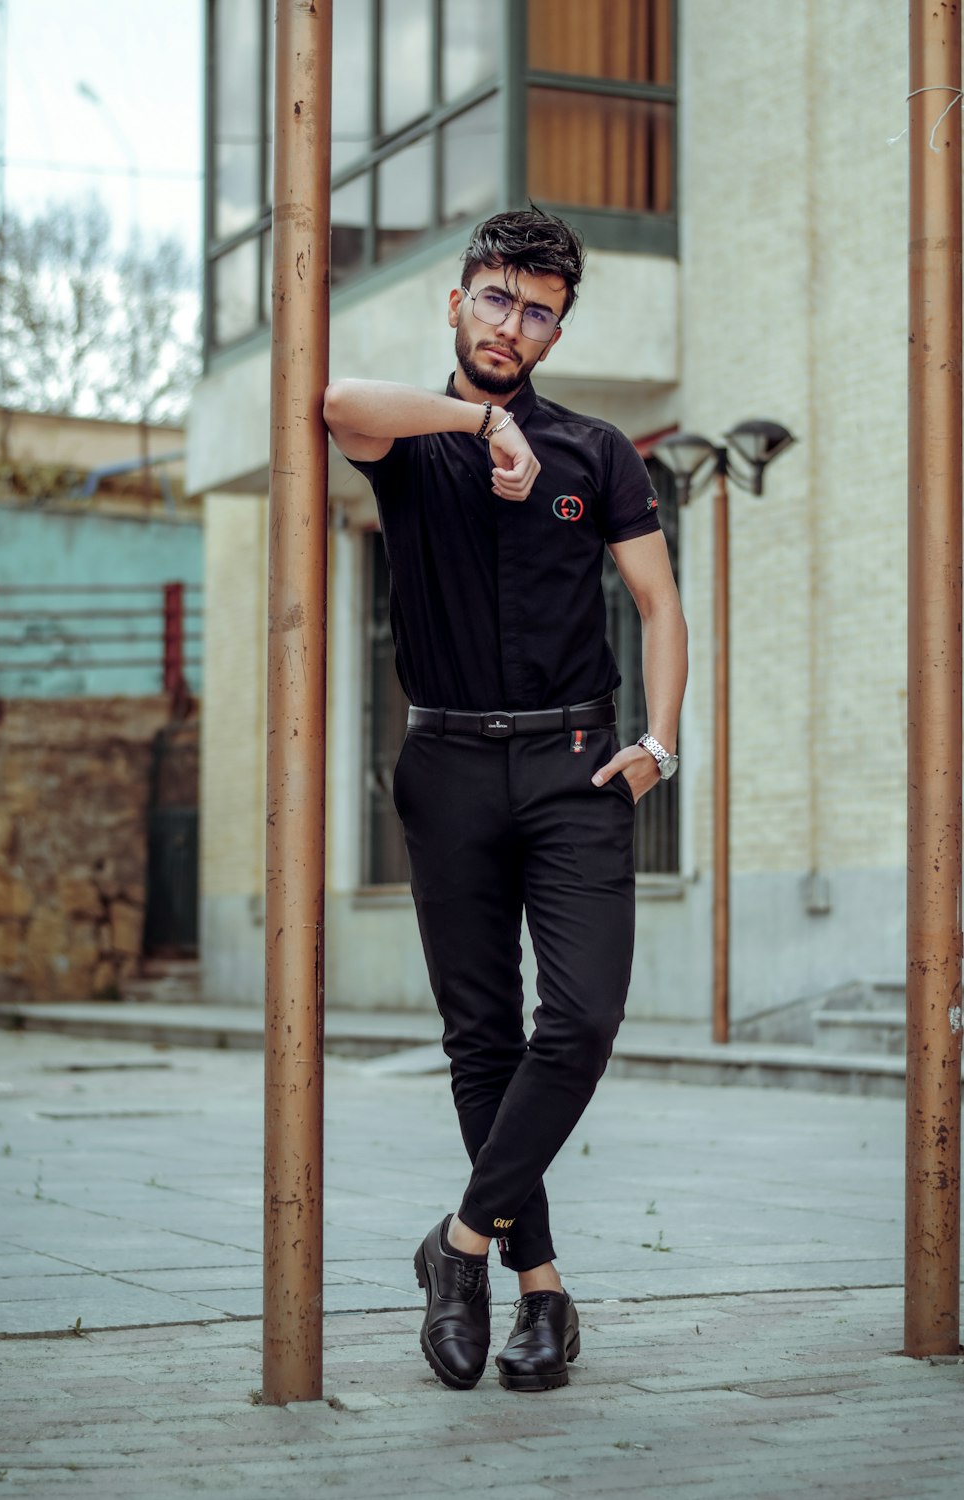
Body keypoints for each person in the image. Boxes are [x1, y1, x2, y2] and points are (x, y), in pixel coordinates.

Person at [324, 207, 688, 1394]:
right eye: (494, 299)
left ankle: (458, 1248)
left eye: (537, 311)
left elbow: (658, 604)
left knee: (577, 1022)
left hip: (576, 764)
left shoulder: (597, 452)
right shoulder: (415, 441)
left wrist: (658, 741)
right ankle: (540, 1293)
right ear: (457, 301)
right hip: (445, 768)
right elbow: (336, 404)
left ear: (557, 326)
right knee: (480, 1040)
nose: (511, 325)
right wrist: (478, 418)